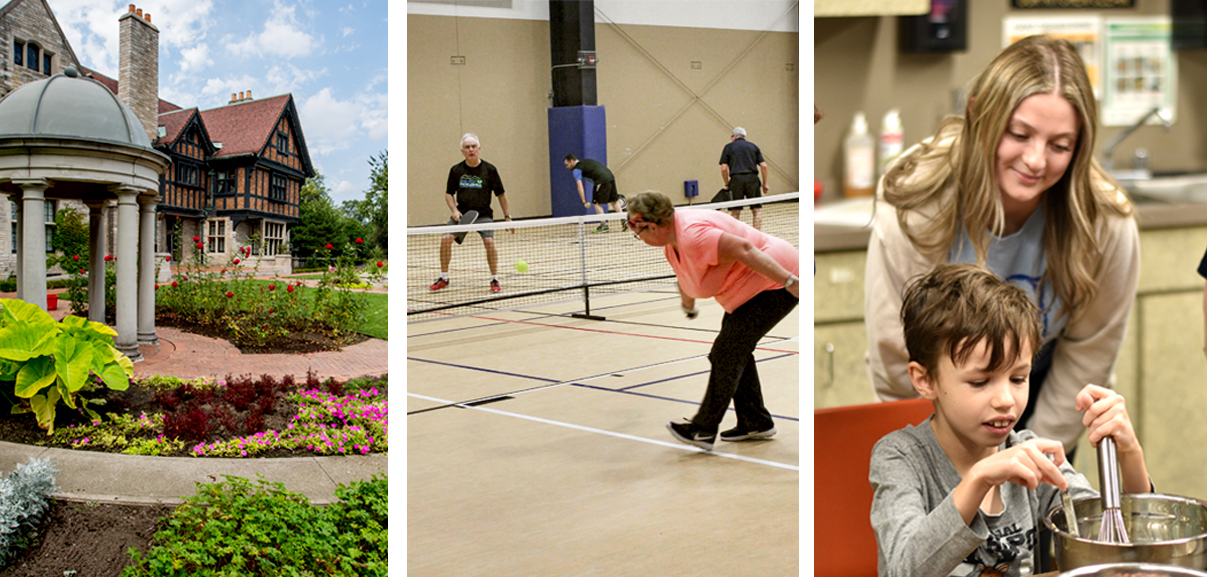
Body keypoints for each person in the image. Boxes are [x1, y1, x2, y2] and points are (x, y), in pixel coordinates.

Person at [865, 35, 1140, 454]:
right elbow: (896, 357)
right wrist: (938, 462)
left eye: (1059, 145)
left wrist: (1035, 456)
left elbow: (1089, 354)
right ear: (979, 115)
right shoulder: (915, 200)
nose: (1035, 160)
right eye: (1019, 134)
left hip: (1044, 398)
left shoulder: (1105, 222)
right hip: (941, 410)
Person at [870, 263, 1152, 577]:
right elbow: (903, 569)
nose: (1005, 399)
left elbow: (1119, 545)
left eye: (1018, 378)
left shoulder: (1031, 455)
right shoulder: (900, 458)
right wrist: (978, 479)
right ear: (925, 380)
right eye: (980, 382)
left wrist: (1130, 455)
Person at [626, 191, 799, 450]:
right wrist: (689, 306)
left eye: (638, 232)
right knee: (733, 351)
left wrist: (790, 281)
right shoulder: (674, 243)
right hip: (752, 290)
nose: (639, 239)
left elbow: (745, 249)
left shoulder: (694, 235)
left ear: (653, 225)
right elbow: (686, 276)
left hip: (777, 282)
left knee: (726, 353)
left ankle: (702, 429)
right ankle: (755, 422)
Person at [431, 133, 513, 294]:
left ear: (479, 149)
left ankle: (494, 278)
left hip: (483, 216)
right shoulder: (456, 170)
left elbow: (501, 194)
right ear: (462, 151)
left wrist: (507, 217)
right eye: (467, 147)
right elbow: (449, 194)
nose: (471, 150)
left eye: (474, 146)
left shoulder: (490, 170)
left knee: (489, 243)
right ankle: (444, 278)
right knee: (445, 240)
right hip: (463, 215)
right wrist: (455, 211)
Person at [718, 127, 770, 230]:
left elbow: (724, 168)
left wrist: (727, 183)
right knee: (756, 210)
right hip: (752, 179)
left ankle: (736, 237)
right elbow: (764, 166)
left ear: (735, 137)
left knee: (735, 211)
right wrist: (765, 183)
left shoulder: (728, 147)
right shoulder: (753, 147)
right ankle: (757, 236)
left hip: (736, 180)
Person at [564, 154, 623, 233]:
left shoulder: (577, 170)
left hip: (601, 180)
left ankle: (603, 226)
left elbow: (580, 186)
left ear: (572, 162)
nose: (567, 167)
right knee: (614, 200)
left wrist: (584, 201)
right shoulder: (586, 161)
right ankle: (625, 221)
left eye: (567, 164)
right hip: (610, 176)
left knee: (596, 202)